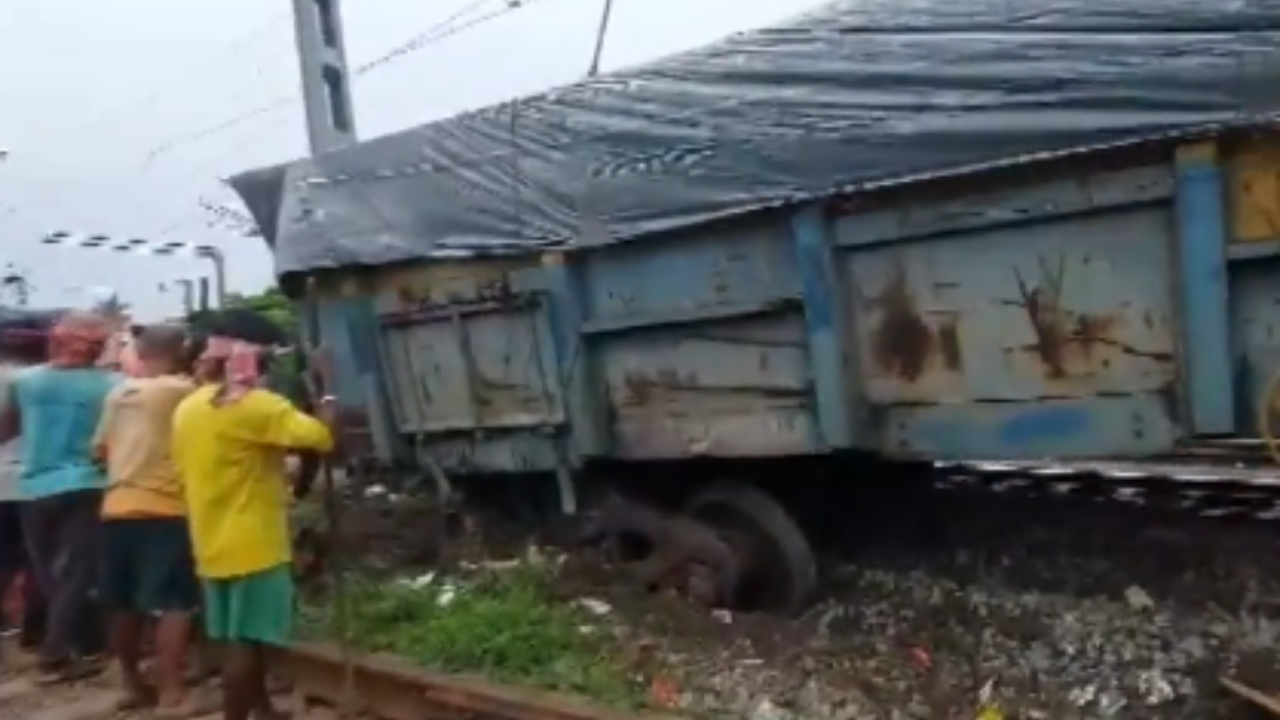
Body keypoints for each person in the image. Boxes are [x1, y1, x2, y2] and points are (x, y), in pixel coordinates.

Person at [172, 326, 336, 720]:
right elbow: (324, 436)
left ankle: (262, 710)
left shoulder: (188, 408)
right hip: (255, 545)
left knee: (238, 635)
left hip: (211, 541)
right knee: (245, 642)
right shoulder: (255, 406)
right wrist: (327, 384)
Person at [0, 310, 117, 683]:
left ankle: (72, 643)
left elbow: (7, 428)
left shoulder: (25, 382)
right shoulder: (112, 385)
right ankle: (57, 654)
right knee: (78, 572)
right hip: (87, 483)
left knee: (49, 572)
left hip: (32, 486)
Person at [93, 325, 200, 714]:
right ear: (182, 350)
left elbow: (100, 452)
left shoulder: (118, 393)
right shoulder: (183, 392)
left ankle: (133, 684)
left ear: (140, 351)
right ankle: (171, 691)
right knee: (175, 602)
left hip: (116, 505)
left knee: (122, 601)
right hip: (165, 507)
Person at [0, 325, 50, 654]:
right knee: (37, 559)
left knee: (4, 556)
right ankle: (35, 628)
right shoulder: (35, 380)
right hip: (31, 480)